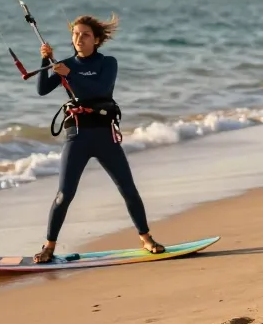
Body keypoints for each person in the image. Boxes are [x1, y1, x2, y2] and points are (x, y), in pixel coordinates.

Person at [32, 14, 165, 263]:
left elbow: (99, 89)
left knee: (128, 190)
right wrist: (44, 60)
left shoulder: (107, 63)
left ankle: (146, 239)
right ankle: (49, 246)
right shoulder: (64, 64)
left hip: (105, 135)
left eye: (85, 35)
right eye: (75, 34)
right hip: (77, 136)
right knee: (65, 194)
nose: (79, 38)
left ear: (97, 39)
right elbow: (41, 90)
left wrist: (69, 74)